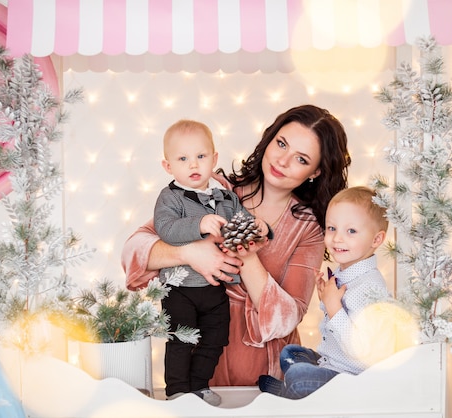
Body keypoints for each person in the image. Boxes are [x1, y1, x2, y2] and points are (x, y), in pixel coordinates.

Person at [121, 104, 351, 388]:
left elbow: (287, 319)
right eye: (281, 143)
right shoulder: (215, 189)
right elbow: (134, 249)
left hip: (263, 370)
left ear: (316, 171)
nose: (282, 160)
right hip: (198, 356)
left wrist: (250, 259)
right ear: (269, 139)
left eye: (301, 159)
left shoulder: (310, 229)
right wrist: (189, 253)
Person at [154, 119, 269, 405]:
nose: (193, 165)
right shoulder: (170, 198)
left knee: (215, 339)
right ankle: (178, 391)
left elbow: (241, 222)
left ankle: (199, 385)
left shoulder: (226, 197)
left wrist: (260, 228)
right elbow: (165, 229)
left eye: (201, 157)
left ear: (214, 159)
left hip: (215, 288)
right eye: (183, 159)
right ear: (168, 166)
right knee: (182, 340)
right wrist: (200, 223)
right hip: (179, 288)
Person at [258, 186, 390, 399]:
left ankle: (291, 391)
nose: (337, 238)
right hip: (331, 362)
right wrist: (324, 299)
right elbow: (331, 329)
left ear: (376, 239)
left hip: (352, 377)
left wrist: (333, 307)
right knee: (291, 353)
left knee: (300, 374)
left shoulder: (370, 288)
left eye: (351, 231)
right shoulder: (344, 272)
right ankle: (297, 388)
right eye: (331, 228)